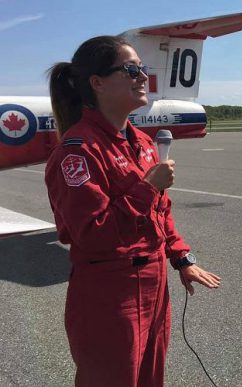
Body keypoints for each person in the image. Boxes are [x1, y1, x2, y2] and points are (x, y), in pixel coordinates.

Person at [44, 36, 221, 386]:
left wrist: (182, 258)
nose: (143, 77)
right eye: (130, 69)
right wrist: (147, 186)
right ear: (97, 83)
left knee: (150, 379)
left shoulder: (141, 141)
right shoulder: (77, 153)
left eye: (142, 68)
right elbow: (93, 234)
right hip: (110, 292)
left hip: (154, 283)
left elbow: (160, 211)